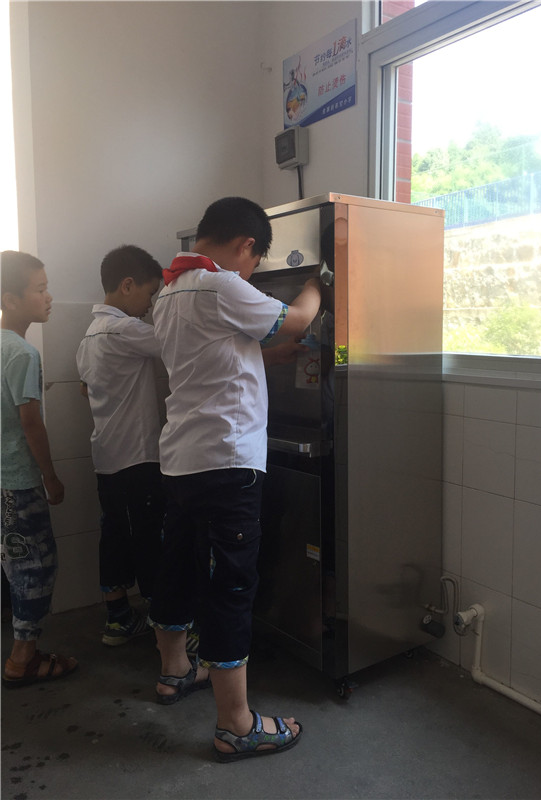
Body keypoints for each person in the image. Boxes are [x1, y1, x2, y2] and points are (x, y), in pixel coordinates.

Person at [148, 196, 322, 761]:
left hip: (182, 460)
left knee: (177, 567)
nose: (251, 272)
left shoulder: (170, 291)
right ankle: (236, 725)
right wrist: (318, 283)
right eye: (255, 261)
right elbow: (297, 318)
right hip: (226, 461)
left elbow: (212, 357)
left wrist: (270, 357)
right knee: (230, 587)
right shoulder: (220, 285)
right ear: (246, 245)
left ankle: (175, 671)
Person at [76, 245, 166, 646]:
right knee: (149, 539)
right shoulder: (125, 330)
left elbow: (85, 389)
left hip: (107, 458)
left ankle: (118, 618)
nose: (150, 306)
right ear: (127, 285)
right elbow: (179, 343)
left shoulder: (89, 336)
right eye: (150, 294)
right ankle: (167, 627)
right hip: (136, 458)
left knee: (114, 535)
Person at [1, 250, 78, 687]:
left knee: (16, 566)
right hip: (18, 482)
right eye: (41, 289)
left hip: (1, 482)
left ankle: (23, 654)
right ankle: (22, 661)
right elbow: (31, 424)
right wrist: (50, 476)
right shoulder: (22, 353)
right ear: (10, 300)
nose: (49, 297)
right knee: (35, 568)